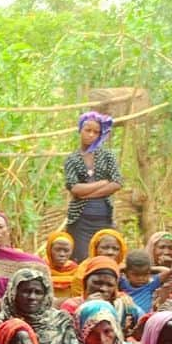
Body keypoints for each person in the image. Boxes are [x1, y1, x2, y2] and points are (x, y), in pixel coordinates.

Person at [63, 111, 123, 261]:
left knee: (106, 259)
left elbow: (117, 183)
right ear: (80, 130)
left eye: (96, 132)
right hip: (80, 221)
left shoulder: (107, 156)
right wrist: (102, 183)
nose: (91, 135)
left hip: (104, 218)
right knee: (82, 260)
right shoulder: (72, 159)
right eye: (87, 130)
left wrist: (86, 192)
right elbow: (74, 188)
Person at [0, 266, 75, 344]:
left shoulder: (61, 321)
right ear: (14, 293)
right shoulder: (3, 322)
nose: (32, 297)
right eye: (26, 291)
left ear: (45, 295)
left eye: (38, 292)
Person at [60, 255, 142, 334]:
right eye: (97, 283)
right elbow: (65, 337)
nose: (103, 289)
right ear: (85, 282)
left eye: (110, 285)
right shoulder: (71, 306)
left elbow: (140, 331)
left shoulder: (125, 304)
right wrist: (85, 309)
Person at [120, 249, 172, 313]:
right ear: (127, 273)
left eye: (145, 274)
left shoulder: (150, 284)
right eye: (136, 274)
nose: (141, 278)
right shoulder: (123, 283)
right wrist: (123, 269)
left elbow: (169, 271)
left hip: (145, 318)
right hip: (127, 316)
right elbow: (113, 271)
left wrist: (151, 268)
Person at [44, 232, 78, 300]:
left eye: (66, 250)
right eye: (57, 250)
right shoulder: (42, 267)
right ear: (49, 250)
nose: (62, 254)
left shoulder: (75, 269)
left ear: (71, 251)